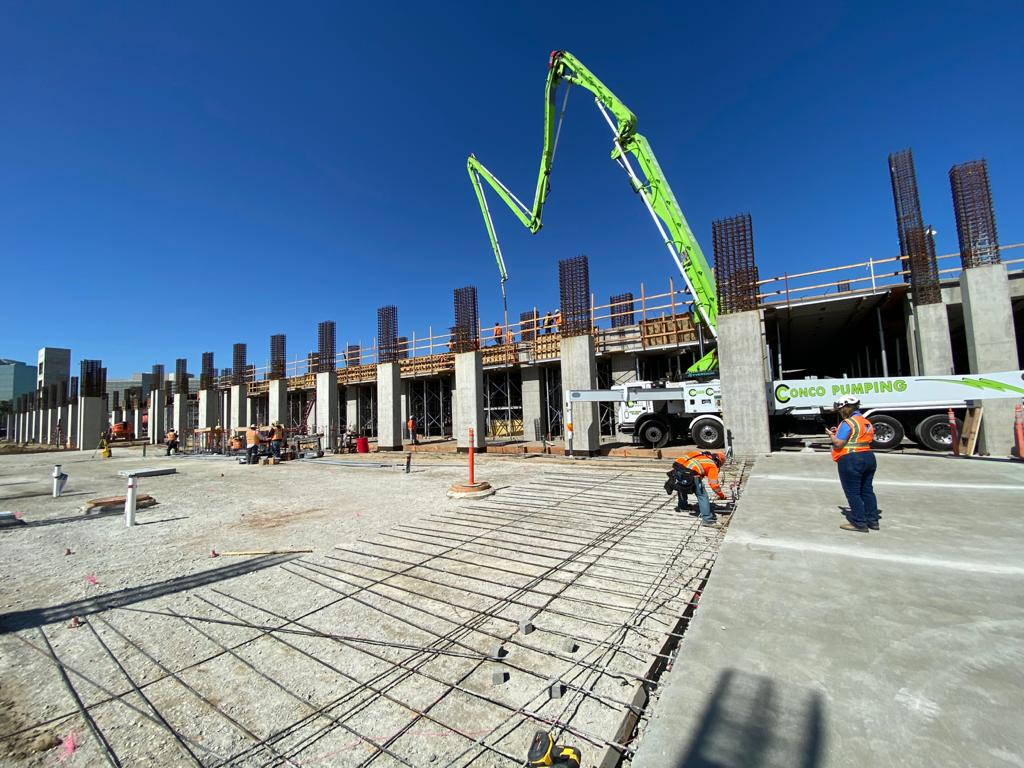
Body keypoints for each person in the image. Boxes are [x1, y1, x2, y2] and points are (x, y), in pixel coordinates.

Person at [828, 396, 879, 532]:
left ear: (845, 408)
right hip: (868, 457)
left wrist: (831, 436)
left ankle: (859, 523)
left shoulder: (848, 423)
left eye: (840, 409)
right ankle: (873, 521)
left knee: (853, 492)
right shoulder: (866, 422)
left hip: (851, 460)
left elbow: (839, 443)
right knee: (867, 490)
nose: (839, 412)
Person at [668, 450, 727, 526]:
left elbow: (694, 466)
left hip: (677, 469)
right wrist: (721, 495)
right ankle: (708, 519)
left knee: (682, 486)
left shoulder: (699, 454)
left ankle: (682, 506)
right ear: (718, 462)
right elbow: (714, 485)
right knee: (702, 495)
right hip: (690, 474)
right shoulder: (712, 465)